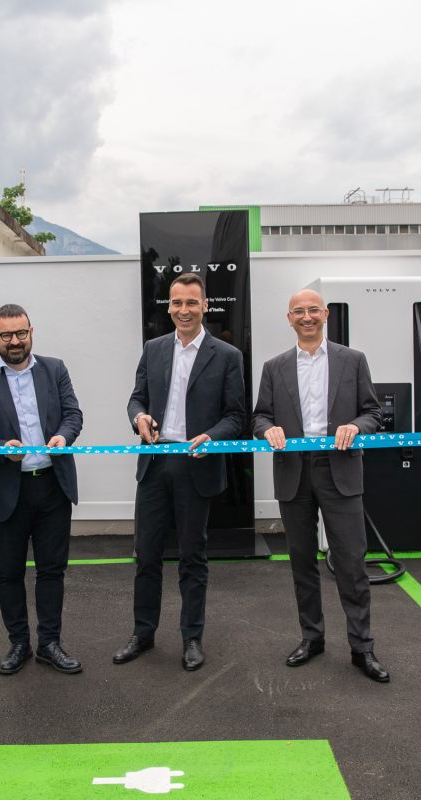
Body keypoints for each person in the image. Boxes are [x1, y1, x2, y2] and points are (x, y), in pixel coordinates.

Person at [252, 288, 390, 682]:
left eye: (314, 310)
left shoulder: (352, 360)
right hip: (293, 470)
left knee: (351, 562)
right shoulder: (274, 367)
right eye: (299, 311)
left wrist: (355, 426)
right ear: (289, 318)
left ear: (326, 314)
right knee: (301, 562)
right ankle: (311, 638)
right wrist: (269, 429)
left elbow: (373, 412)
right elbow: (259, 417)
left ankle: (362, 647)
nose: (307, 316)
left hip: (340, 468)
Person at [117, 273, 246, 671]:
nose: (184, 310)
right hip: (155, 463)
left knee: (193, 556)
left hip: (197, 464)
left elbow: (237, 416)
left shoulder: (227, 355)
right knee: (146, 555)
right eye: (177, 303)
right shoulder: (153, 349)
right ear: (168, 307)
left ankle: (192, 637)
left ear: (205, 305)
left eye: (192, 303)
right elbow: (137, 398)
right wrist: (138, 417)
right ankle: (143, 633)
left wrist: (211, 435)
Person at [0, 304, 84, 675]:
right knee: (9, 573)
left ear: (31, 331)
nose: (15, 341)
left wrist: (64, 435)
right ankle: (19, 644)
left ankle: (49, 643)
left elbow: (72, 414)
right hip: (8, 491)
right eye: (6, 335)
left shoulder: (55, 369)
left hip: (52, 487)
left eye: (21, 333)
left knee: (51, 571)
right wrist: (1, 450)